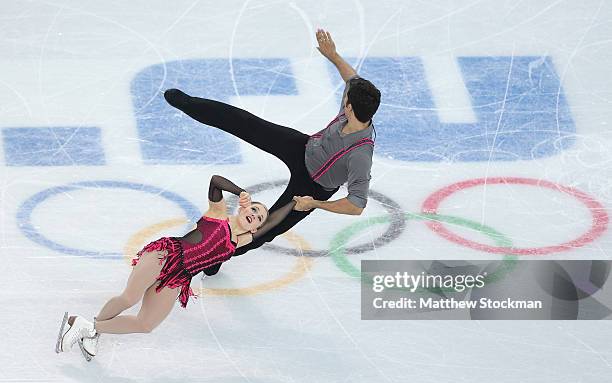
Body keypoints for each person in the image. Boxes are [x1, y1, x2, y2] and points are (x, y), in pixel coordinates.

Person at [163, 29, 381, 276]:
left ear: (350, 108)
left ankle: (213, 256)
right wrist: (333, 56)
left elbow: (356, 205)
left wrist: (315, 204)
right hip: (303, 147)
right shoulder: (359, 106)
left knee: (261, 231)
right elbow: (352, 78)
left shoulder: (361, 155)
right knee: (246, 122)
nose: (344, 98)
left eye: (346, 101)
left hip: (312, 188)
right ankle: (188, 103)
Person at [56, 175, 296, 361]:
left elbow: (275, 221)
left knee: (146, 324)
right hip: (166, 254)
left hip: (180, 277)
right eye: (254, 209)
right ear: (244, 208)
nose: (256, 214)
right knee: (130, 297)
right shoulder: (219, 214)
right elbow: (215, 182)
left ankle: (89, 327)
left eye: (260, 217)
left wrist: (294, 202)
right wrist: (240, 191)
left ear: (256, 229)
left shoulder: (241, 240)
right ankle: (91, 329)